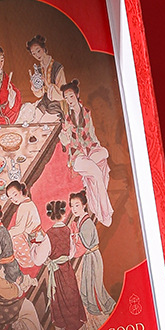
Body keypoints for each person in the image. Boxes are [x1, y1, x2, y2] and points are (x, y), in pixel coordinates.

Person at [58, 79, 113, 225]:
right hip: (78, 156)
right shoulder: (67, 118)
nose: (69, 100)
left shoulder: (86, 113)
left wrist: (96, 148)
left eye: (71, 96)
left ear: (77, 95)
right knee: (97, 173)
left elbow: (92, 134)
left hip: (90, 150)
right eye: (66, 98)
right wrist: (64, 132)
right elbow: (65, 141)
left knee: (105, 153)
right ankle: (105, 213)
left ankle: (98, 206)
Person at [40, 198, 88, 330]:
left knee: (61, 301)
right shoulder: (67, 231)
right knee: (71, 297)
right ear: (63, 213)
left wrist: (37, 248)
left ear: (50, 216)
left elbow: (39, 258)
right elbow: (72, 252)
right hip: (67, 270)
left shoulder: (48, 235)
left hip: (57, 274)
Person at [69, 190, 114, 330]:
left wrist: (75, 235)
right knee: (89, 284)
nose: (74, 209)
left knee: (94, 286)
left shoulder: (87, 222)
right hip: (89, 256)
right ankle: (98, 311)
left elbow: (83, 246)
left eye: (77, 205)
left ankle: (101, 316)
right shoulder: (81, 221)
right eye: (72, 206)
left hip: (92, 256)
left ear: (84, 205)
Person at [4, 180, 47, 272]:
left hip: (34, 237)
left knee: (13, 239)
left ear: (20, 192)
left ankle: (28, 260)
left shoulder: (23, 207)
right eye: (11, 198)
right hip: (38, 233)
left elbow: (20, 228)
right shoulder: (28, 201)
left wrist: (6, 234)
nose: (14, 199)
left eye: (15, 195)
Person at [24, 33, 66, 119]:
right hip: (45, 101)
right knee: (35, 118)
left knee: (48, 120)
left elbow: (62, 93)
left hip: (56, 102)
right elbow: (39, 94)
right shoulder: (38, 69)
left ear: (43, 48)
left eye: (38, 51)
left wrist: (47, 83)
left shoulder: (57, 67)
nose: (37, 55)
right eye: (34, 54)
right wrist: (35, 86)